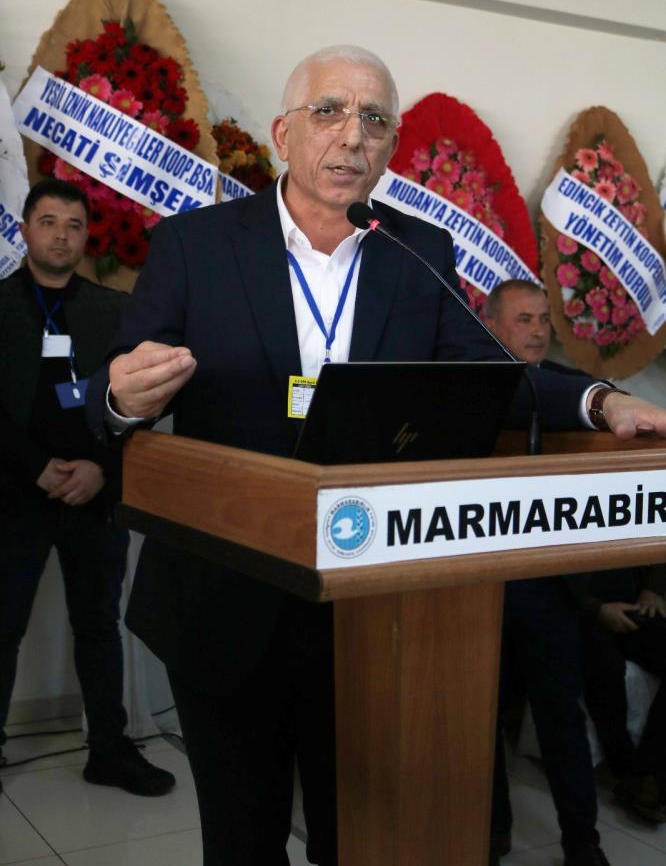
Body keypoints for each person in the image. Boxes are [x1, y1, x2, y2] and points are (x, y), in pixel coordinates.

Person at [87, 47, 666, 866]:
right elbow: (110, 392)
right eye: (329, 111)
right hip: (226, 603)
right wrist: (122, 393)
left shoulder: (415, 249)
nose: (352, 135)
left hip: (370, 613)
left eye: (375, 119)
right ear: (284, 133)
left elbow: (491, 378)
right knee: (242, 844)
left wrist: (600, 402)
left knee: (357, 841)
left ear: (391, 147)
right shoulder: (196, 244)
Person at [0, 179, 174, 799]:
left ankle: (108, 749)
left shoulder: (112, 311)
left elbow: (141, 403)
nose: (61, 236)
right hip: (14, 495)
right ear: (25, 229)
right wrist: (34, 468)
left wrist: (101, 467)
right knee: (3, 626)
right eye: (48, 222)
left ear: (85, 238)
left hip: (94, 493)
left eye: (73, 226)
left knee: (99, 623)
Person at [485, 280, 609, 866]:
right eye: (524, 320)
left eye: (543, 319)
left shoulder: (567, 386)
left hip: (547, 585)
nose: (538, 331)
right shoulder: (467, 385)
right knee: (480, 716)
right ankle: (491, 833)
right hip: (481, 582)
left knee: (562, 716)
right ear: (491, 327)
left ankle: (583, 842)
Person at [579, 564, 666, 823]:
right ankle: (626, 769)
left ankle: (647, 773)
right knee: (605, 669)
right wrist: (597, 609)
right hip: (580, 613)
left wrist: (652, 589)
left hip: (633, 606)